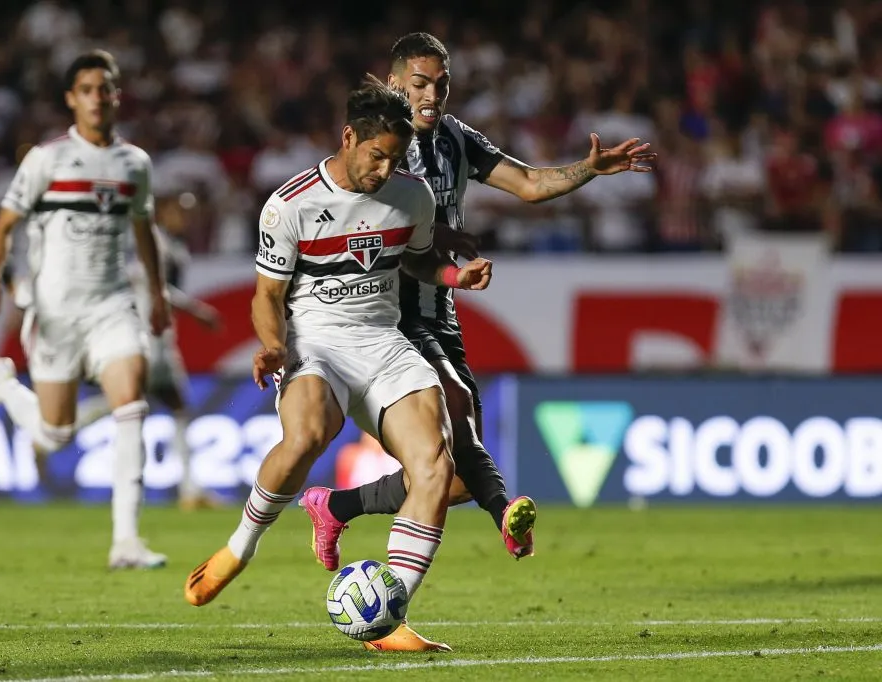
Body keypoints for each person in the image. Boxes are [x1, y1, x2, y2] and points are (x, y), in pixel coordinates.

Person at [301, 32, 657, 567]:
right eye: (420, 84)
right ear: (396, 83)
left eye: (441, 85)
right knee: (458, 412)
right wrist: (435, 236)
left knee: (457, 477)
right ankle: (506, 513)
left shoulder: (455, 140)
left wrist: (588, 170)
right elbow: (355, 224)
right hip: (383, 315)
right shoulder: (377, 150)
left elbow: (531, 184)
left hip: (438, 309)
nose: (431, 95)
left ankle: (335, 505)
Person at [183, 75, 492, 653]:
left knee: (438, 468)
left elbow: (419, 263)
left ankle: (387, 615)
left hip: (383, 341)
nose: (384, 171)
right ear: (349, 138)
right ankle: (239, 548)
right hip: (314, 341)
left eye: (395, 159)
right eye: (377, 156)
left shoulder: (413, 195)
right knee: (306, 437)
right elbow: (266, 295)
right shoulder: (291, 204)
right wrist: (273, 344)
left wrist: (454, 276)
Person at [0, 49, 171, 569]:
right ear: (71, 99)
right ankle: (3, 387)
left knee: (132, 402)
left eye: (106, 88)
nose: (98, 99)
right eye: (87, 90)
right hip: (56, 312)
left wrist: (158, 294)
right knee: (53, 435)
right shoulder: (46, 159)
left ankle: (126, 540)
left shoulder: (135, 163)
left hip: (111, 305)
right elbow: (4, 226)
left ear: (117, 96)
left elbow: (144, 230)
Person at [72, 219, 223, 510]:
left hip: (158, 340)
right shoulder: (151, 237)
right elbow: (149, 282)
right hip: (146, 340)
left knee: (167, 406)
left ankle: (190, 490)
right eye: (179, 208)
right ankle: (68, 425)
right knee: (136, 405)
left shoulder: (175, 246)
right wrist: (196, 310)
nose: (185, 214)